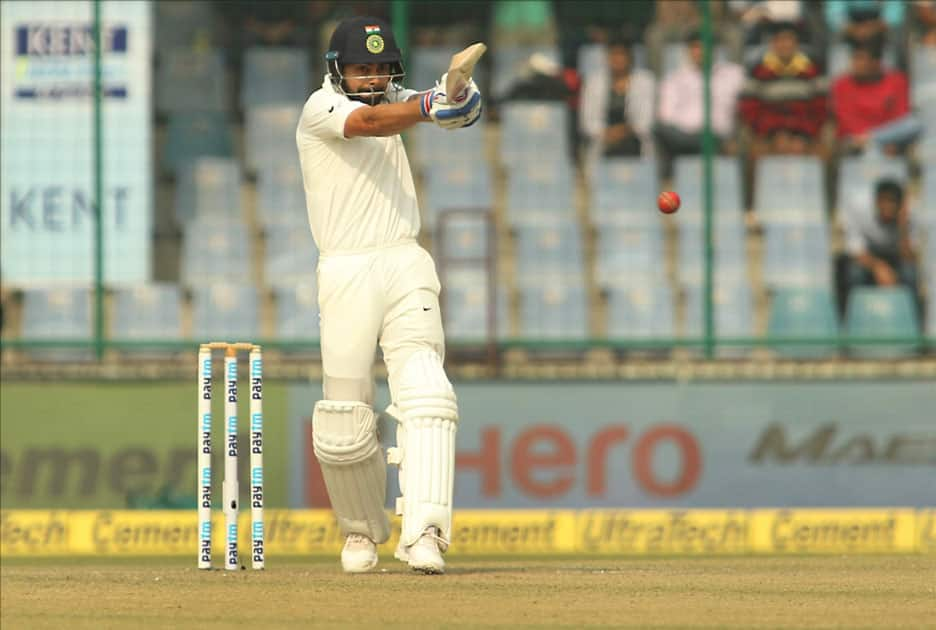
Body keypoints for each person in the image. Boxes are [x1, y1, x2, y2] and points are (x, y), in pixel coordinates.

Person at [295, 16, 481, 574]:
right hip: (346, 268)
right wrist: (430, 104)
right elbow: (375, 122)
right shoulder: (319, 108)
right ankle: (359, 534)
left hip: (404, 259)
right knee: (345, 413)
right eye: (361, 68)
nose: (373, 78)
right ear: (338, 71)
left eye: (381, 68)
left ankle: (425, 531)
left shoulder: (401, 96)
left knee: (427, 390)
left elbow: (460, 116)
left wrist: (457, 94)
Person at [654, 30, 744, 177]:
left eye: (704, 47)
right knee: (659, 130)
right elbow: (666, 116)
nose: (700, 52)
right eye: (695, 47)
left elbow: (743, 108)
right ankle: (667, 183)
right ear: (688, 51)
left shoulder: (734, 75)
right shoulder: (674, 79)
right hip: (684, 138)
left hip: (720, 136)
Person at [738, 20, 828, 157]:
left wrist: (804, 134)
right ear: (772, 44)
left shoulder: (812, 71)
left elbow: (821, 108)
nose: (784, 45)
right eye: (779, 40)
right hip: (768, 133)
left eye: (788, 40)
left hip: (803, 132)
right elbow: (749, 109)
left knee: (803, 149)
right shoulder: (758, 71)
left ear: (796, 43)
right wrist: (772, 132)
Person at [831, 38, 921, 156]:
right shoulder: (841, 85)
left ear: (876, 63)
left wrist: (880, 139)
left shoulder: (897, 81)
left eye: (861, 59)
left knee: (914, 124)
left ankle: (874, 139)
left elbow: (901, 115)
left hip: (890, 139)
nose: (855, 64)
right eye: (854, 59)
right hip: (853, 141)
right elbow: (845, 119)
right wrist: (867, 139)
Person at [842, 179, 920, 304]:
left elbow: (909, 256)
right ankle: (852, 318)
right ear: (876, 201)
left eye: (893, 202)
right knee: (854, 273)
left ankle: (911, 320)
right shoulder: (859, 208)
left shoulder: (911, 214)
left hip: (896, 257)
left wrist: (903, 226)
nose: (888, 207)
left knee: (910, 273)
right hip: (868, 256)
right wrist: (878, 267)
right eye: (884, 201)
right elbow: (854, 250)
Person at [579, 38, 655, 163]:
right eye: (614, 54)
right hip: (604, 141)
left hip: (635, 140)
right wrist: (608, 133)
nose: (618, 59)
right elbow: (587, 122)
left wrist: (625, 131)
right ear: (607, 57)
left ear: (630, 57)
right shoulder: (593, 82)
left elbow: (647, 120)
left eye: (622, 54)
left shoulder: (646, 81)